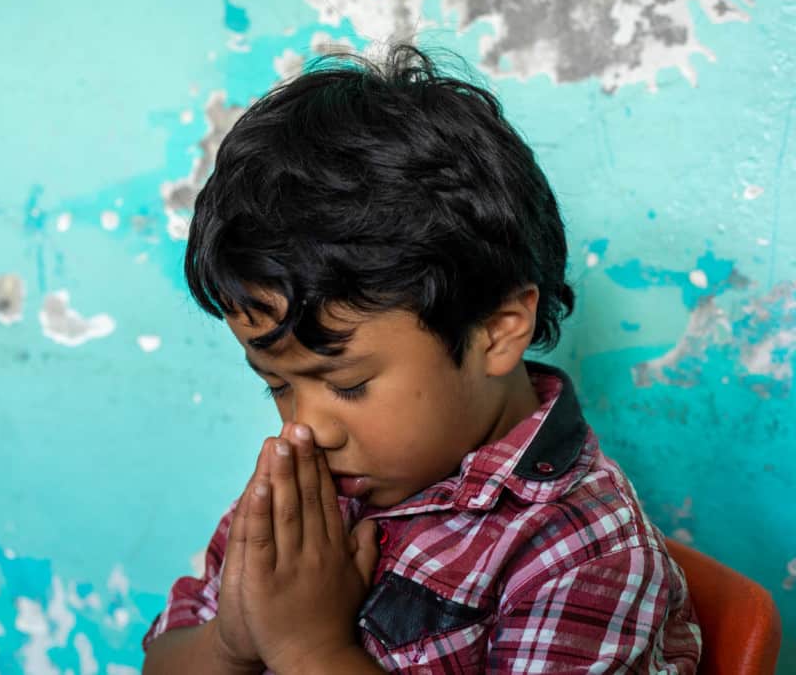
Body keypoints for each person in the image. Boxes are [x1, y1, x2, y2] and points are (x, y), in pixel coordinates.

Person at [141, 45, 701, 674]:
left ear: (497, 329)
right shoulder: (308, 488)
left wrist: (309, 647)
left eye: (348, 384)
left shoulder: (581, 556)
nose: (305, 428)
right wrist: (232, 641)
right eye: (277, 385)